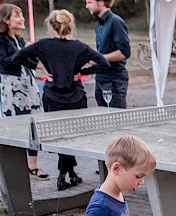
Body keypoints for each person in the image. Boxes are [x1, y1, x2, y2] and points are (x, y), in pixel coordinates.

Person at [10, 10, 109, 191]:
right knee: (71, 136)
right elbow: (104, 64)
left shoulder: (43, 45)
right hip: (76, 97)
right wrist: (82, 73)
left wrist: (37, 66)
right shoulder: (79, 47)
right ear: (70, 26)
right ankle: (67, 173)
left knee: (59, 136)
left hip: (52, 96)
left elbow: (17, 58)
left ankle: (66, 172)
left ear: (50, 26)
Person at [0, 3, 47, 180]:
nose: (22, 18)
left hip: (29, 86)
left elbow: (27, 62)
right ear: (6, 20)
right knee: (17, 126)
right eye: (17, 15)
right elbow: (3, 62)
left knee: (33, 126)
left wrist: (42, 67)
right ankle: (16, 167)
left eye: (22, 15)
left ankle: (33, 166)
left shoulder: (20, 40)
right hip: (12, 88)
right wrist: (22, 53)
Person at [83, 0, 130, 109]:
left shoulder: (116, 22)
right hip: (101, 79)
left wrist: (100, 58)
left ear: (101, 2)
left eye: (89, 2)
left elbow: (125, 52)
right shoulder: (99, 25)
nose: (87, 6)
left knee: (116, 119)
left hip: (115, 80)